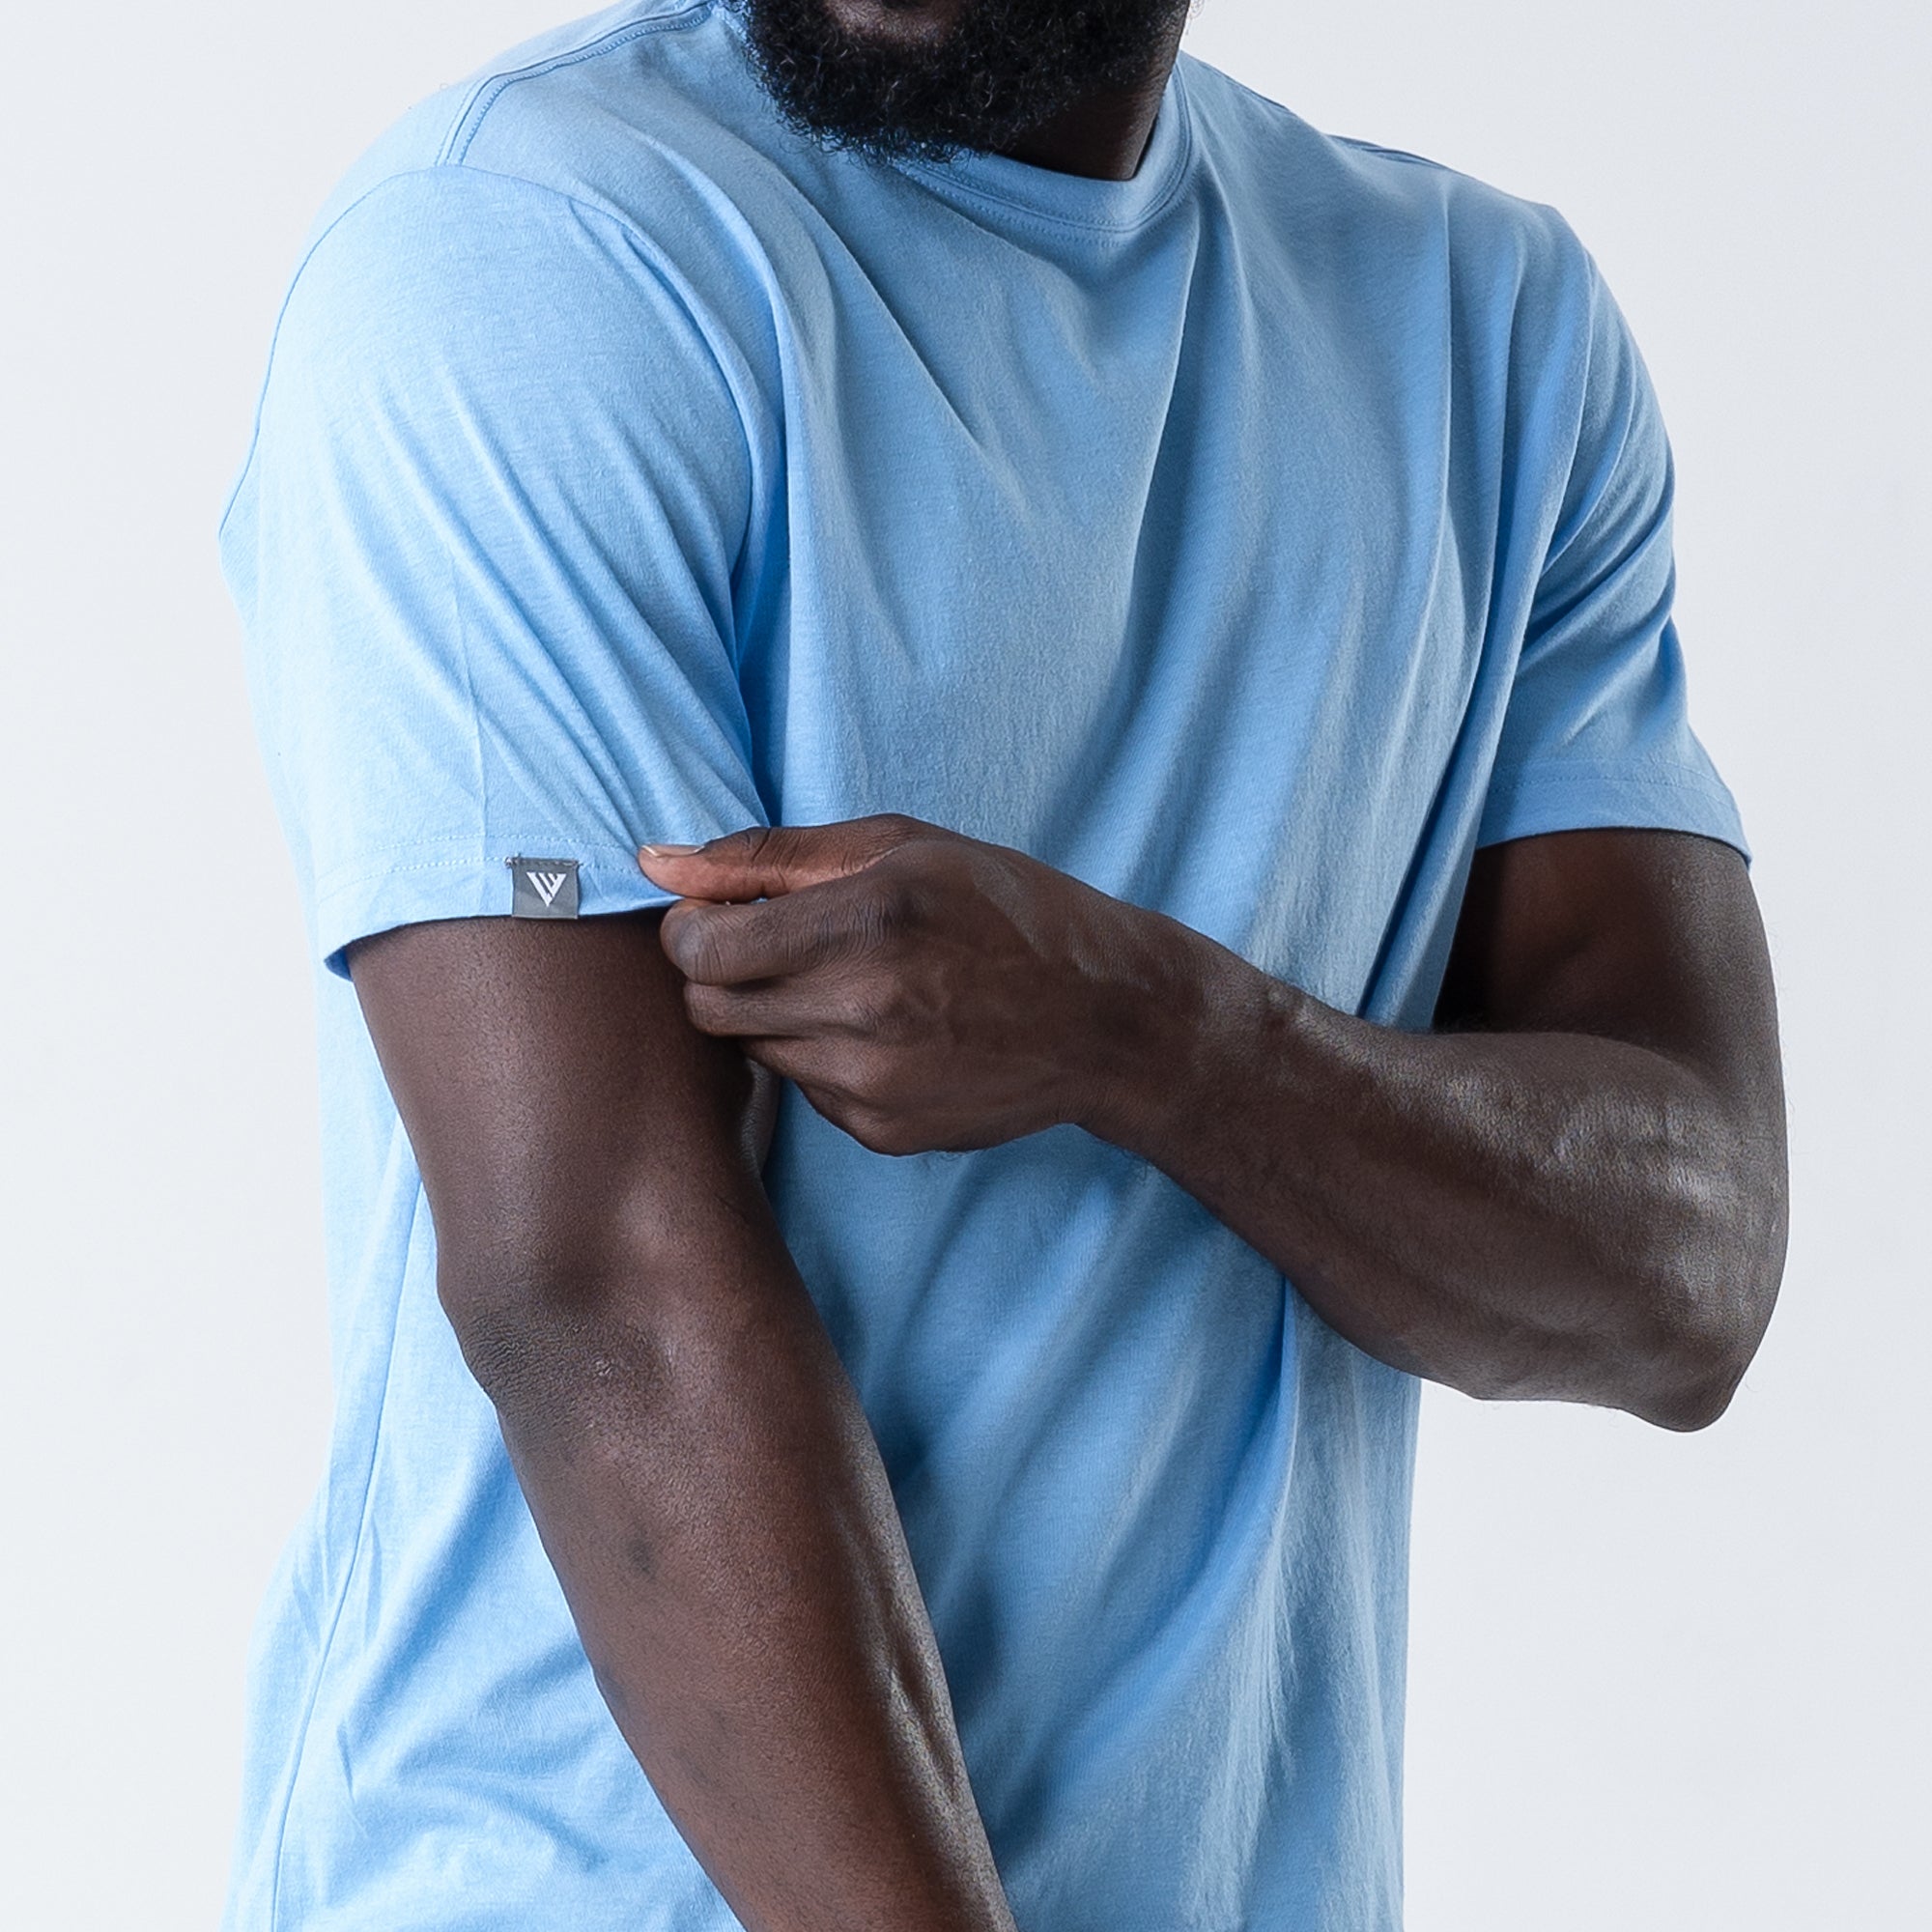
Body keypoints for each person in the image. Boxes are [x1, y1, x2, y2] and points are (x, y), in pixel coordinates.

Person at [218, 0, 1788, 1925]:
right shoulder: (535, 248)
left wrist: (1155, 1035)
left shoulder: (1486, 332)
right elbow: (601, 1293)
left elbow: (1686, 1271)